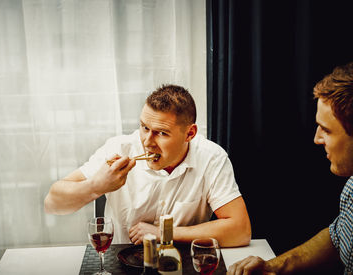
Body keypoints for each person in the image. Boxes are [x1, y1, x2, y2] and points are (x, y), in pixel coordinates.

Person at [44, 84, 251, 246]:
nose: (147, 142)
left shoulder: (211, 158)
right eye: (144, 127)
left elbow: (240, 230)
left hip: (181, 264)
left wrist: (163, 232)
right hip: (120, 264)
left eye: (161, 133)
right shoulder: (119, 148)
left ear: (190, 133)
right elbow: (52, 204)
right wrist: (96, 186)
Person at [227, 62, 353, 275]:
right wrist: (272, 266)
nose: (316, 139)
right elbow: (336, 237)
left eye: (327, 130)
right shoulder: (351, 186)